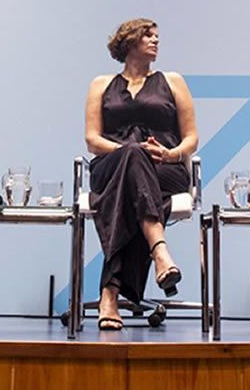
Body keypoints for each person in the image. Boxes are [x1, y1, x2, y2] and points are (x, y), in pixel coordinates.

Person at [84, 18, 199, 331]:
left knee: (129, 190)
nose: (155, 41)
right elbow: (92, 140)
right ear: (129, 42)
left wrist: (170, 154)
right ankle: (159, 249)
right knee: (133, 158)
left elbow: (191, 138)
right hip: (111, 166)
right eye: (148, 35)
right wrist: (127, 151)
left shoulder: (172, 81)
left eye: (157, 36)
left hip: (165, 169)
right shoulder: (101, 85)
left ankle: (110, 294)